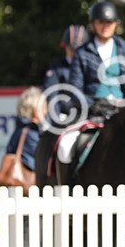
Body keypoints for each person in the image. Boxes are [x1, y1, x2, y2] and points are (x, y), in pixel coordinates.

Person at [68, 0, 125, 120]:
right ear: (93, 24)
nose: (105, 26)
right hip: (92, 114)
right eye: (101, 22)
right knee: (70, 139)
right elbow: (75, 88)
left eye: (109, 22)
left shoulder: (124, 49)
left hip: (120, 112)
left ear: (115, 24)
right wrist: (93, 105)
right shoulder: (82, 53)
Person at [2, 87, 47, 247]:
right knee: (29, 234)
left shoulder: (20, 130)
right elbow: (35, 161)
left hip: (19, 191)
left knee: (21, 233)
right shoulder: (33, 132)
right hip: (29, 190)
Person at [37, 24, 89, 182]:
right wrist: (56, 116)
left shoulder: (89, 66)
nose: (74, 53)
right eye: (71, 49)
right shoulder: (57, 69)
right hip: (65, 117)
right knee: (59, 146)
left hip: (90, 115)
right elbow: (52, 94)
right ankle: (59, 181)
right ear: (64, 47)